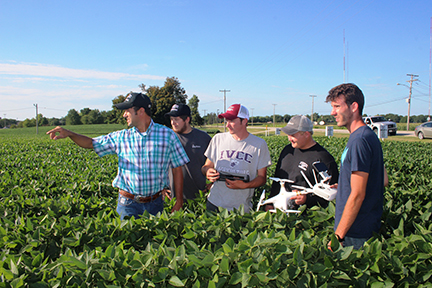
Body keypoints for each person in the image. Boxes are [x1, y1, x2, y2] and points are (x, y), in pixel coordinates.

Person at [47, 92, 189, 219]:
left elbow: (177, 169)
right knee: (126, 245)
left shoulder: (167, 135)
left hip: (156, 204)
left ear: (140, 111)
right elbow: (91, 143)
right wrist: (70, 134)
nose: (124, 114)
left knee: (155, 246)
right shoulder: (121, 137)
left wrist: (179, 201)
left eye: (127, 110)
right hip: (128, 205)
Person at [326, 83, 385, 250]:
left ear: (354, 106)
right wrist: (344, 186)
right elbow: (383, 179)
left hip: (355, 233)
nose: (333, 112)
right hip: (362, 227)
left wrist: (338, 236)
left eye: (337, 106)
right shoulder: (367, 135)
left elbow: (358, 194)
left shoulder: (359, 140)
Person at [201, 104, 272, 212]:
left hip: (241, 208)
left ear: (244, 121)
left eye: (232, 121)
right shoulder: (218, 139)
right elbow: (206, 166)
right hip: (214, 203)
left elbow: (262, 178)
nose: (227, 125)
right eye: (226, 121)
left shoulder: (259, 144)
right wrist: (208, 172)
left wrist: (245, 185)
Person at [266, 115, 339, 211]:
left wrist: (307, 199)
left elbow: (332, 194)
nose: (289, 138)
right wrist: (271, 201)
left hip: (305, 216)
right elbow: (278, 179)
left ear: (306, 134)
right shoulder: (287, 150)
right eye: (288, 135)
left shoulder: (323, 158)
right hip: (279, 210)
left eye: (293, 135)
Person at [165, 103, 212, 200]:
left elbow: (216, 161)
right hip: (172, 198)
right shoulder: (166, 138)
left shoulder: (203, 138)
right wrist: (161, 188)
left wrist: (212, 183)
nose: (173, 123)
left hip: (199, 197)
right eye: (171, 119)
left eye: (176, 119)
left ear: (187, 119)